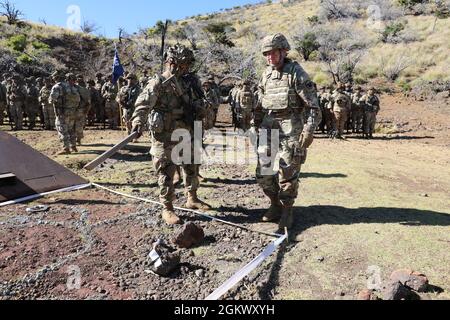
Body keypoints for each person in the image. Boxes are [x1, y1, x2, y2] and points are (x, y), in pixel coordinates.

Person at [131, 44, 211, 225]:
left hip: (188, 131)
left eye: (187, 65)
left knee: (191, 166)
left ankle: (192, 198)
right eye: (182, 64)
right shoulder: (158, 82)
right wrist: (137, 121)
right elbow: (143, 104)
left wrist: (200, 108)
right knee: (166, 171)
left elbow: (200, 101)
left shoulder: (190, 81)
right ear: (171, 62)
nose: (185, 68)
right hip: (165, 134)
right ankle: (167, 208)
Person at [254, 33, 321, 230]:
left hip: (291, 125)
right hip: (269, 124)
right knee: (263, 171)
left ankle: (287, 210)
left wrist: (308, 130)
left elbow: (312, 106)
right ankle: (274, 204)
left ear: (283, 51)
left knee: (288, 171)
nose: (269, 57)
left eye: (273, 52)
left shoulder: (296, 73)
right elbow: (260, 101)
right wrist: (255, 123)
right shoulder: (266, 74)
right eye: (266, 53)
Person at [49, 72, 81, 154]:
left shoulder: (57, 87)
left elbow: (52, 99)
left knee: (62, 129)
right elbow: (78, 99)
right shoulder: (72, 87)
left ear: (56, 78)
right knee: (71, 129)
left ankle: (66, 148)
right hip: (72, 112)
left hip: (62, 112)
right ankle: (73, 146)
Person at [75, 75, 92, 145]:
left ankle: (77, 139)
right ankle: (78, 139)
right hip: (78, 109)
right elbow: (88, 102)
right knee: (78, 125)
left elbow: (88, 102)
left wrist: (86, 110)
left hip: (77, 109)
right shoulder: (84, 90)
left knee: (76, 125)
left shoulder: (80, 89)